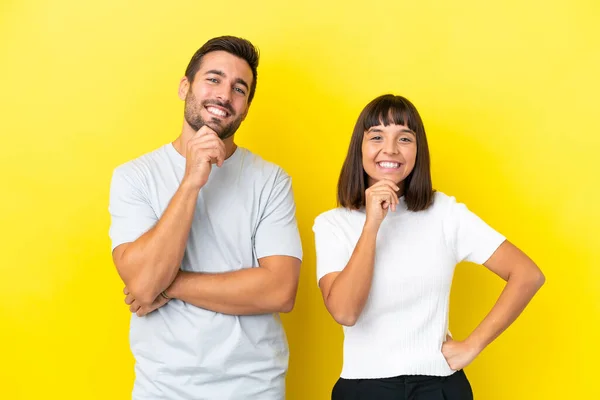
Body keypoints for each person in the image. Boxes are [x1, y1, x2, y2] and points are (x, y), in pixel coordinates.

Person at [312, 94, 545, 399]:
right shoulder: (332, 224)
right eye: (377, 136)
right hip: (364, 386)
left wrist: (472, 345)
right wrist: (372, 224)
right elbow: (344, 312)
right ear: (360, 148)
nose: (390, 149)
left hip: (438, 386)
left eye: (404, 138)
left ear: (418, 150)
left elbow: (528, 275)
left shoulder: (445, 213)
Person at [108, 36, 303, 400]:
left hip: (254, 388)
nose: (224, 95)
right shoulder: (134, 176)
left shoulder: (271, 180)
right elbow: (142, 281)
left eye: (239, 89)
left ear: (245, 109)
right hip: (163, 389)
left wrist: (169, 284)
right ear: (186, 87)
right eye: (213, 79)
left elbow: (280, 290)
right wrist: (191, 181)